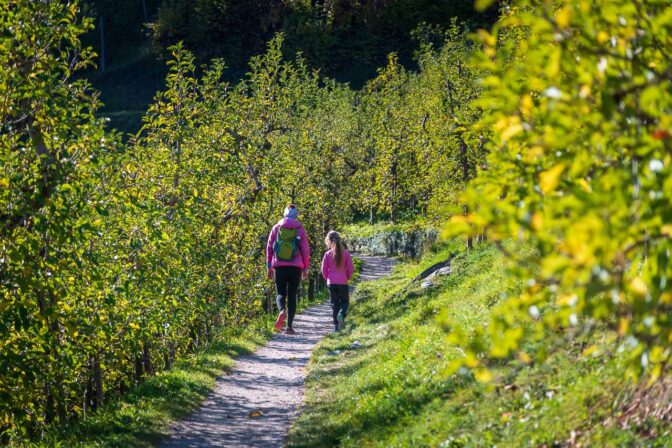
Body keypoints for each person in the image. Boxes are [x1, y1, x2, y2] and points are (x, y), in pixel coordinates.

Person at [266, 204, 310, 335]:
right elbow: (306, 251)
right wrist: (305, 268)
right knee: (292, 295)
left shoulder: (276, 227)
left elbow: (269, 247)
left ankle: (281, 311)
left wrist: (268, 266)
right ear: (296, 215)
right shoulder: (300, 229)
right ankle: (289, 327)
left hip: (279, 266)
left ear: (284, 214)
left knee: (280, 293)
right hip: (295, 267)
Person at [321, 231, 354, 332]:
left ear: (328, 241)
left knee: (334, 303)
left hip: (331, 283)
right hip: (343, 281)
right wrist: (346, 277)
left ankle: (335, 327)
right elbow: (351, 269)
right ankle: (341, 313)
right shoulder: (346, 254)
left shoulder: (327, 254)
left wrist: (328, 278)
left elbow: (323, 270)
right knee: (345, 302)